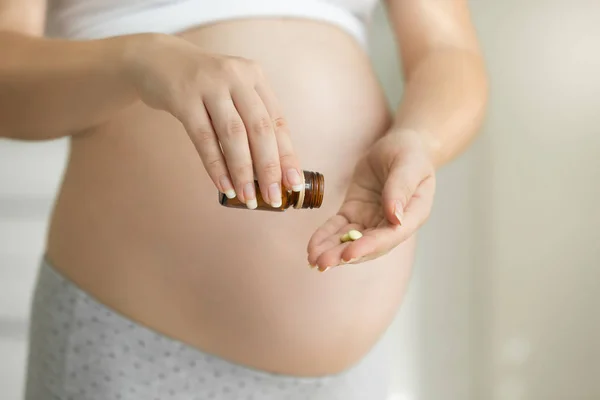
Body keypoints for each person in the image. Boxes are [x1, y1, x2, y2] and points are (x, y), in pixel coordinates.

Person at [0, 0, 488, 399]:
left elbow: (448, 51)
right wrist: (137, 59)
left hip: (350, 375)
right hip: (130, 347)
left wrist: (424, 138)